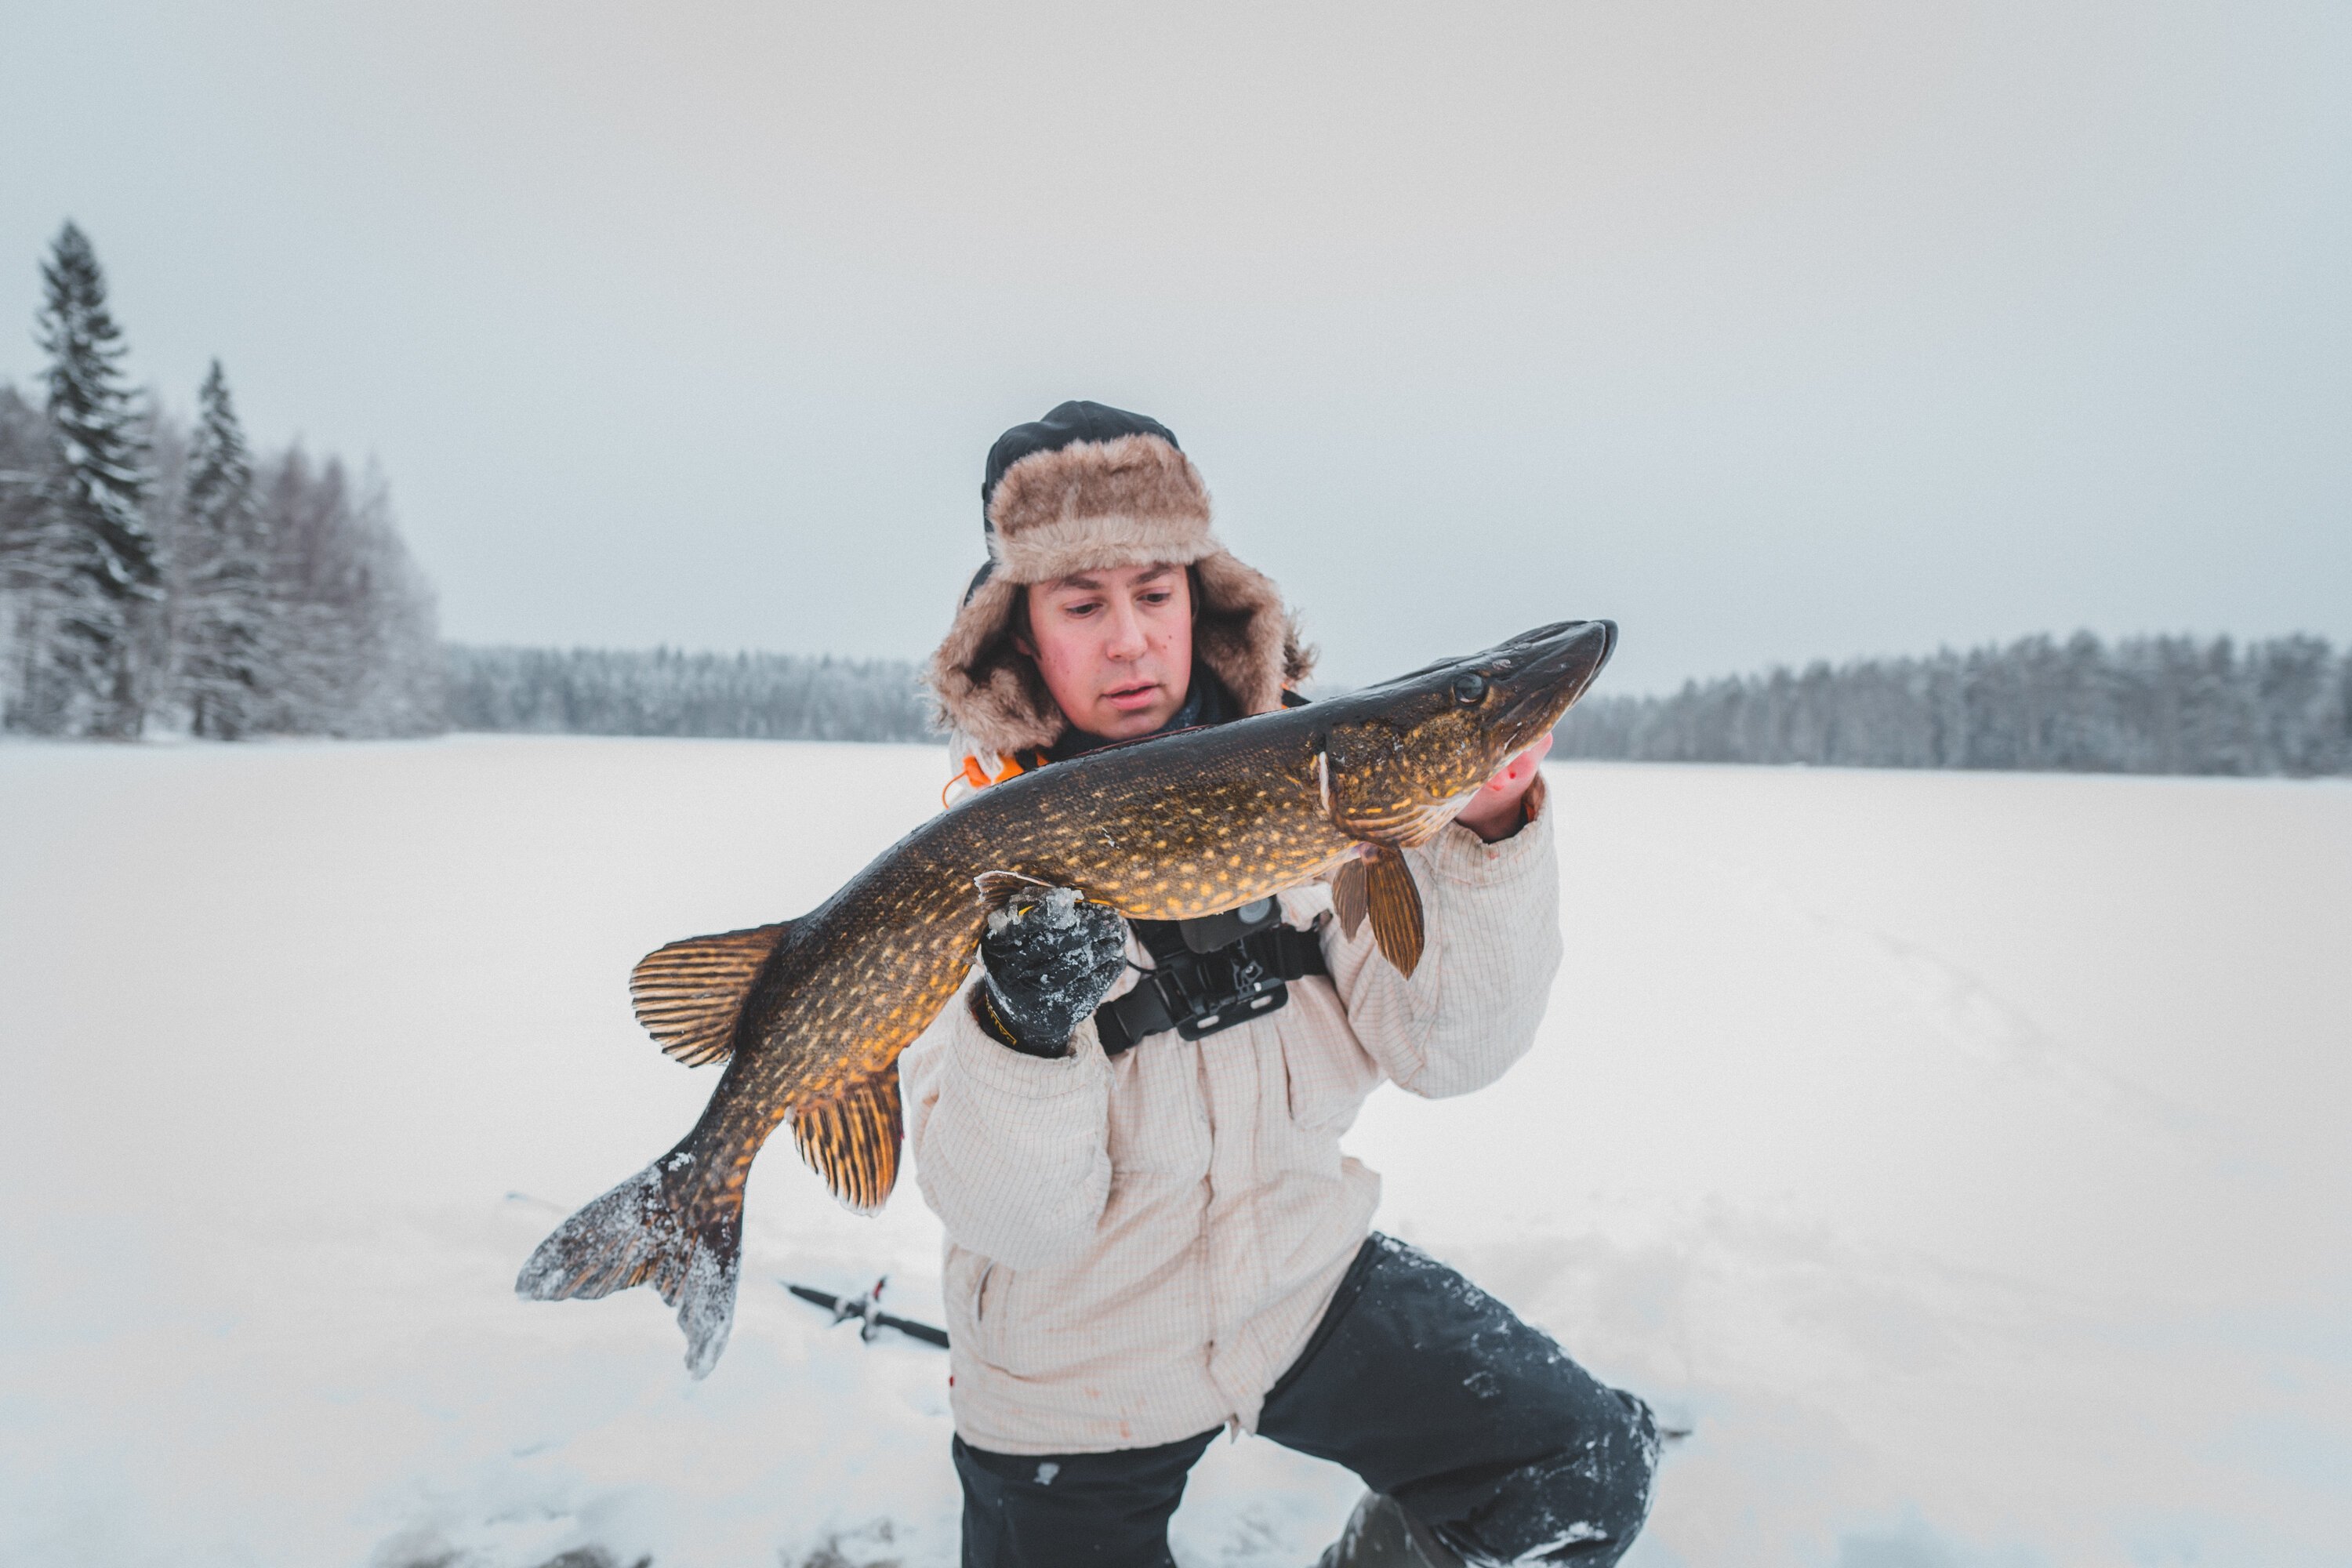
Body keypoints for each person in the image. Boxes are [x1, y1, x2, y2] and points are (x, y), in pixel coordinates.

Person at [902, 401, 1658, 1567]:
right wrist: (1023, 1027)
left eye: (1154, 594)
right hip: (1070, 1356)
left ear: (1201, 598)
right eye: (1083, 604)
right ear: (1019, 633)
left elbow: (1450, 1052)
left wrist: (1493, 826)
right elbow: (1018, 1221)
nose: (1129, 640)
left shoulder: (1328, 786)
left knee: (1578, 1464)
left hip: (1294, 1282)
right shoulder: (973, 857)